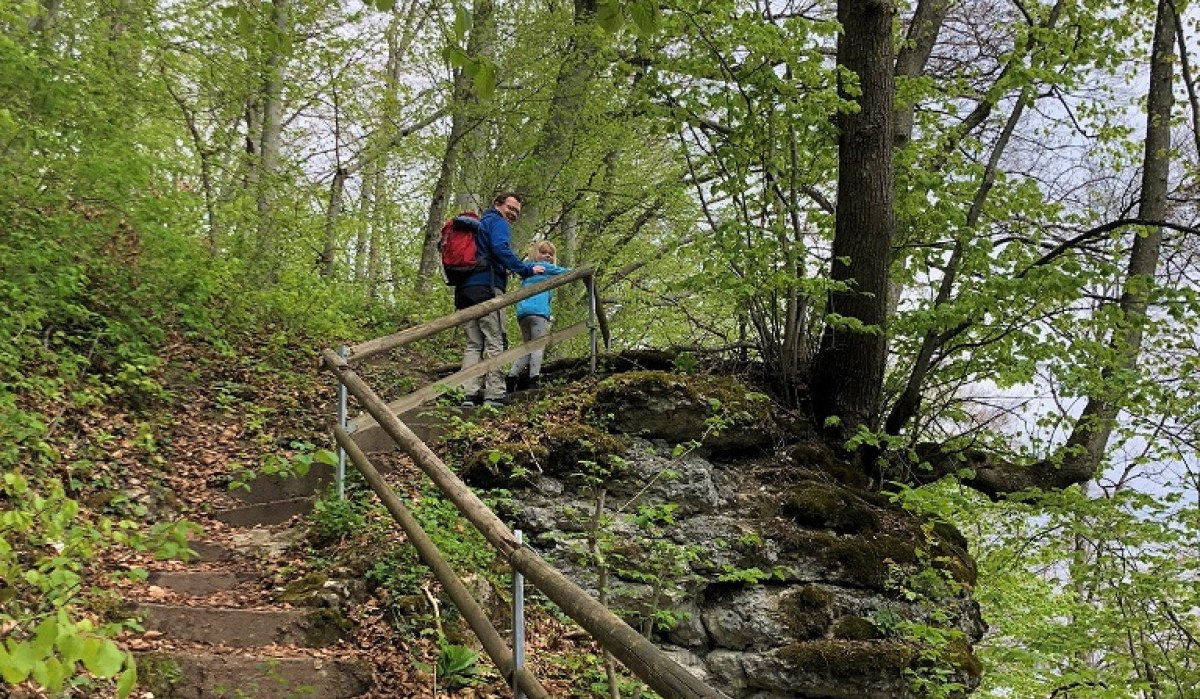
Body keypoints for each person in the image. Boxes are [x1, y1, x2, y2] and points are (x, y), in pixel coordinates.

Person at [456, 192, 543, 407]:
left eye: (516, 211)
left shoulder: (478, 227)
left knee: (474, 344)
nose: (513, 214)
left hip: (465, 290)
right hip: (487, 288)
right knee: (495, 340)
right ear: (497, 205)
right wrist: (525, 269)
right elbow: (500, 248)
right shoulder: (497, 222)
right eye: (510, 208)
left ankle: (468, 394)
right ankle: (494, 394)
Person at [508, 241, 569, 391]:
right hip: (539, 312)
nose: (547, 256)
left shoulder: (527, 269)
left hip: (523, 313)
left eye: (550, 254)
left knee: (527, 347)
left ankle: (511, 376)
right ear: (536, 254)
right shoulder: (546, 268)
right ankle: (534, 379)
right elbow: (566, 272)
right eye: (543, 252)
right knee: (538, 346)